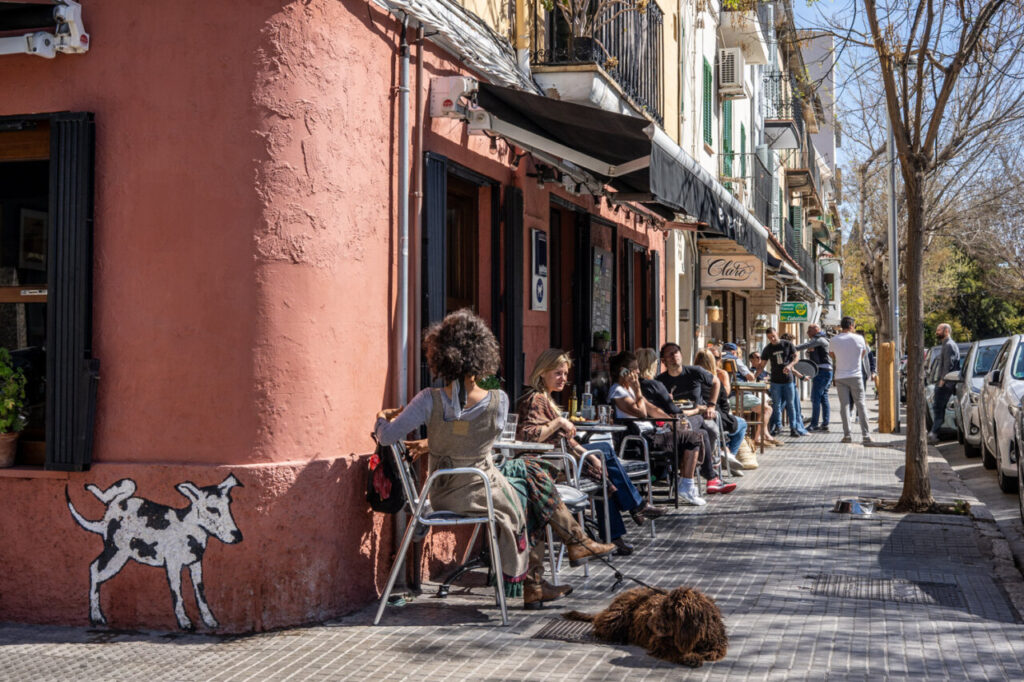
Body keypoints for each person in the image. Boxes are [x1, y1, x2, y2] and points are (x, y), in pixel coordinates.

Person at [373, 309, 615, 610]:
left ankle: (542, 579)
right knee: (530, 482)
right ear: (483, 356)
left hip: (446, 492)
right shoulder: (498, 401)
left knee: (530, 477)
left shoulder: (427, 399)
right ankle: (555, 562)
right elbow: (489, 442)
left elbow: (386, 437)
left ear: (441, 356)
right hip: (483, 488)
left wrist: (381, 419)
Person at [516, 349, 664, 555]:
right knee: (604, 453)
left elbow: (567, 440)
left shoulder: (546, 398)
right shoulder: (535, 399)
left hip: (564, 457)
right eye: (558, 373)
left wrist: (591, 457)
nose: (563, 379)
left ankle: (618, 533)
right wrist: (559, 421)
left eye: (566, 374)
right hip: (550, 463)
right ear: (542, 372)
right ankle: (634, 506)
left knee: (603, 465)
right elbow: (528, 435)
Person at [608, 351, 711, 505]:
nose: (637, 371)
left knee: (698, 433)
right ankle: (686, 486)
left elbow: (652, 409)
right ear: (624, 371)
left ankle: (685, 482)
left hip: (651, 433)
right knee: (693, 437)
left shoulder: (628, 389)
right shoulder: (618, 391)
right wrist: (637, 391)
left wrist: (672, 422)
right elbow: (641, 412)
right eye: (634, 368)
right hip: (639, 439)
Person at [655, 342, 724, 461]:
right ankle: (695, 462)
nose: (674, 356)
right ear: (663, 360)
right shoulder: (660, 381)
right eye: (670, 354)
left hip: (698, 414)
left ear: (681, 355)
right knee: (696, 433)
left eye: (676, 353)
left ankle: (705, 459)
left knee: (712, 430)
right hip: (674, 418)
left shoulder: (694, 371)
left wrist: (711, 406)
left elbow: (716, 382)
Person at [693, 350, 748, 473]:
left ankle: (725, 453)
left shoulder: (691, 380)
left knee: (725, 427)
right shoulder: (715, 380)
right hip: (714, 417)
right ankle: (729, 456)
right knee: (743, 423)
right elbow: (724, 404)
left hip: (695, 418)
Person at [830, 316, 873, 445]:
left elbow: (832, 356)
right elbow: (863, 354)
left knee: (844, 406)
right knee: (861, 404)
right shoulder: (859, 338)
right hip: (856, 376)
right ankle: (866, 435)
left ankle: (847, 435)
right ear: (851, 326)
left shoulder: (833, 339)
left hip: (840, 376)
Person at [762, 328, 808, 438]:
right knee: (776, 405)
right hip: (775, 381)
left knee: (791, 404)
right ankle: (778, 427)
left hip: (788, 380)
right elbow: (762, 364)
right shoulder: (768, 348)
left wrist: (790, 365)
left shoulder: (787, 344)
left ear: (777, 333)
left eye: (773, 336)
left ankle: (793, 428)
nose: (772, 339)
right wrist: (754, 375)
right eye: (769, 337)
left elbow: (796, 357)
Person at [928, 323, 961, 444]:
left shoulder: (949, 345)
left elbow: (948, 364)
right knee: (937, 408)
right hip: (944, 382)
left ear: (946, 331)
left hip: (945, 384)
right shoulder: (945, 344)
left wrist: (942, 381)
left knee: (938, 408)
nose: (937, 332)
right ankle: (934, 433)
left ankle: (933, 434)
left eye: (939, 330)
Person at [796, 323, 832, 432]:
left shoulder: (819, 340)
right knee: (823, 398)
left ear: (816, 330)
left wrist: (791, 348)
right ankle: (825, 423)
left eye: (809, 330)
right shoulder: (822, 340)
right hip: (825, 371)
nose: (807, 333)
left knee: (815, 398)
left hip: (822, 371)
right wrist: (809, 352)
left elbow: (805, 345)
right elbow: (809, 353)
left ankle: (814, 424)